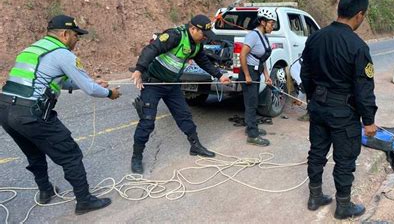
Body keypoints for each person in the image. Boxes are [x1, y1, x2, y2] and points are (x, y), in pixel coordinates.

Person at [0, 15, 121, 215]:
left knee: (34, 152)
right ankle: (84, 201)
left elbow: (53, 80)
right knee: (71, 154)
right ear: (65, 34)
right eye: (76, 35)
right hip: (31, 113)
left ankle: (46, 191)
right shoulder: (63, 54)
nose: (78, 39)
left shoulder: (33, 49)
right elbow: (91, 89)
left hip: (5, 110)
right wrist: (110, 93)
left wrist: (89, 84)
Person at [301, 0, 378, 220]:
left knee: (317, 152)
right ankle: (343, 206)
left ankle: (315, 196)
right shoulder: (358, 46)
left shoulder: (315, 37)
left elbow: (305, 74)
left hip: (318, 105)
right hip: (343, 111)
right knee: (345, 159)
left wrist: (313, 98)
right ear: (359, 14)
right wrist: (369, 120)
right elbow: (364, 89)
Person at [130, 15, 231, 173]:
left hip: (172, 85)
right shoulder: (175, 36)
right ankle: (136, 157)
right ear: (193, 29)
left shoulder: (197, 44)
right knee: (147, 121)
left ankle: (195, 146)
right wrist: (139, 70)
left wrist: (219, 76)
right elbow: (152, 49)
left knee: (184, 115)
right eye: (203, 34)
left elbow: (203, 61)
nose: (205, 38)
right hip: (153, 83)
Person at [238, 8, 276, 146]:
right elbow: (242, 55)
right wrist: (247, 75)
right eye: (271, 23)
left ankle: (251, 127)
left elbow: (262, 58)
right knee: (251, 103)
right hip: (248, 72)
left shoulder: (264, 37)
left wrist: (267, 76)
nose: (273, 26)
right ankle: (252, 135)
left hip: (257, 71)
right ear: (262, 22)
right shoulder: (253, 36)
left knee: (254, 101)